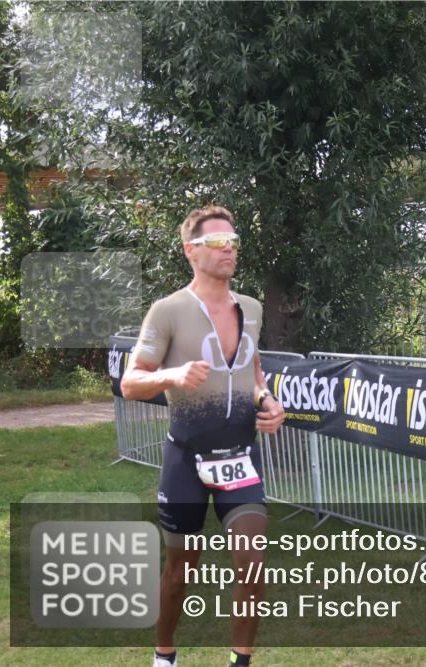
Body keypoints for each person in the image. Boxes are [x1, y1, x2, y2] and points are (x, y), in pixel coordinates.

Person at [121, 205, 285, 667]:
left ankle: (241, 661)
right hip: (186, 463)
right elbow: (131, 382)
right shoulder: (168, 310)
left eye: (233, 240)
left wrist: (267, 401)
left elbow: (254, 374)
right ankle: (164, 656)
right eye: (217, 242)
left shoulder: (250, 309)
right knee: (178, 572)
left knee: (252, 565)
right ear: (191, 251)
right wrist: (172, 374)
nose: (229, 247)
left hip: (240, 461)